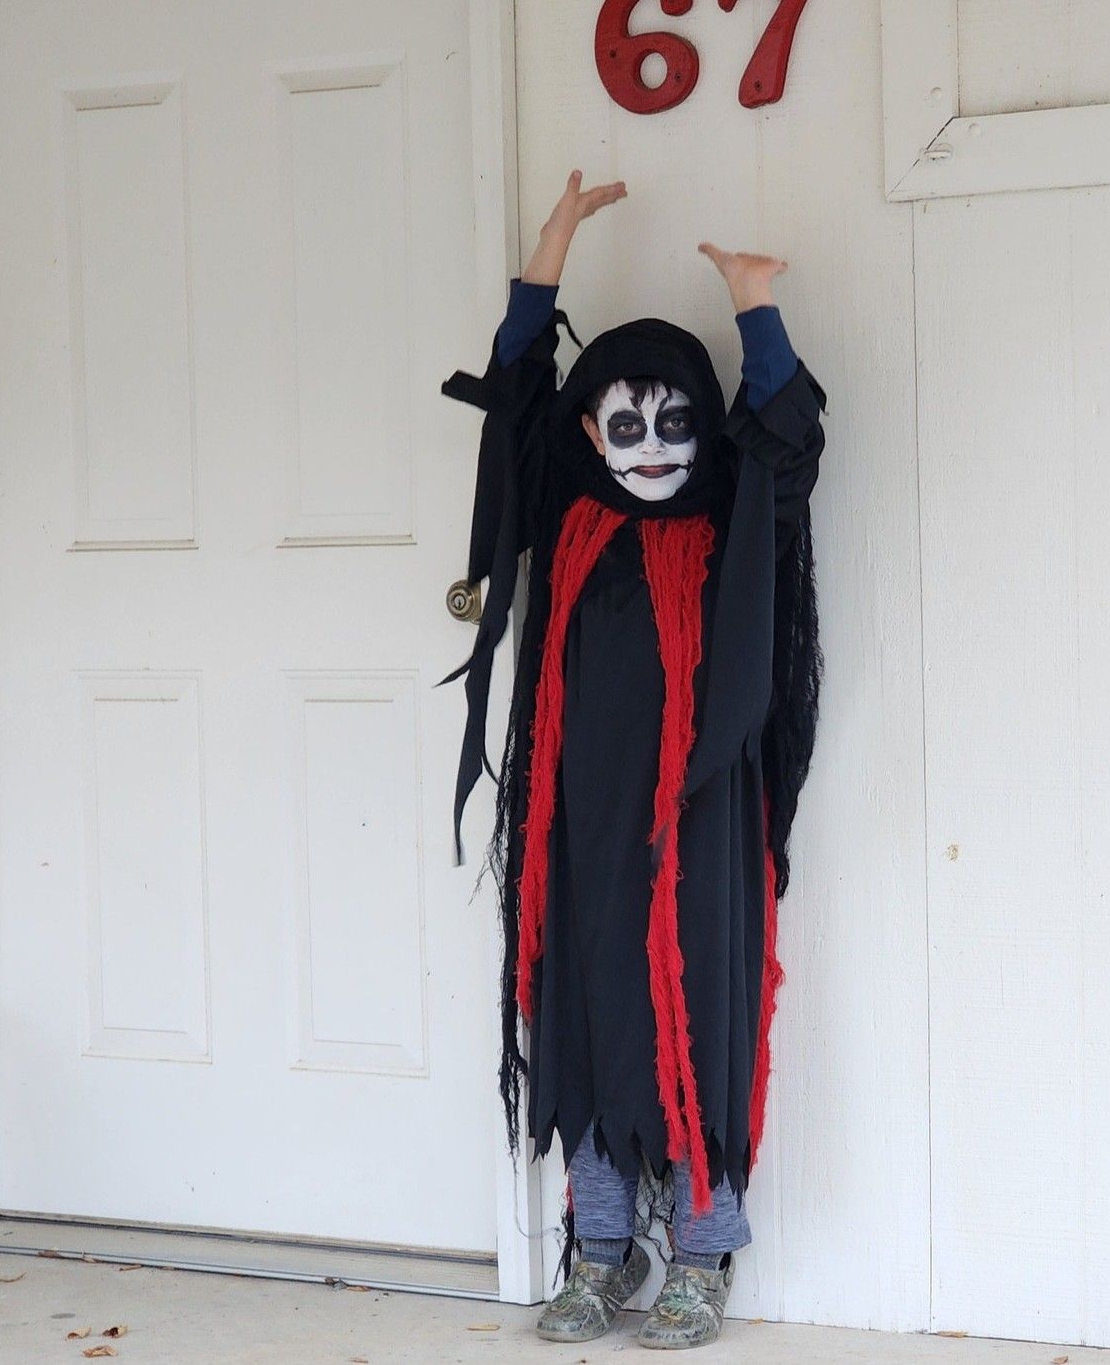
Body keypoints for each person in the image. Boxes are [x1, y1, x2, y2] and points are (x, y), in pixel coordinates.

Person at [440, 171, 826, 1349]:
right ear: (589, 434)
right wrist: (548, 251)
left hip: (704, 819)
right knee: (591, 1015)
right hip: (582, 822)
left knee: (698, 1015)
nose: (650, 448)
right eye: (623, 425)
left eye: (672, 424)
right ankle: (600, 1250)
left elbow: (786, 437)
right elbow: (515, 396)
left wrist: (753, 307)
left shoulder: (728, 518)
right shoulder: (570, 518)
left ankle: (702, 1255)